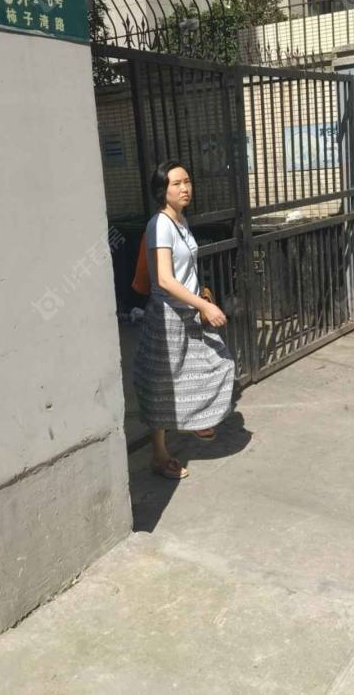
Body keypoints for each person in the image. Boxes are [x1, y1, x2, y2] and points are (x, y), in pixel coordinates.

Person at [134, 160, 235, 479]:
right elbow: (164, 279)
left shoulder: (181, 221)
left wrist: (200, 299)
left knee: (218, 364)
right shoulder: (160, 224)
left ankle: (198, 418)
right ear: (162, 190)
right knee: (162, 384)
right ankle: (159, 455)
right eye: (176, 183)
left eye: (187, 181)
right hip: (168, 316)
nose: (185, 188)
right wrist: (204, 306)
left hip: (189, 311)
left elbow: (186, 269)